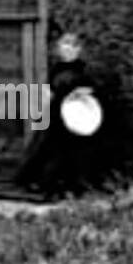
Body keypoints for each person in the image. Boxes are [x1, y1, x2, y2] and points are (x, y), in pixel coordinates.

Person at [14, 31, 93, 198]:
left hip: (74, 112)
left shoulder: (83, 69)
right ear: (59, 49)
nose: (68, 50)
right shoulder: (56, 68)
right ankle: (42, 183)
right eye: (65, 46)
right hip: (54, 111)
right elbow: (49, 88)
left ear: (78, 49)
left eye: (72, 46)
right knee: (45, 146)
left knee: (70, 150)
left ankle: (70, 185)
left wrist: (79, 94)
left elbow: (89, 89)